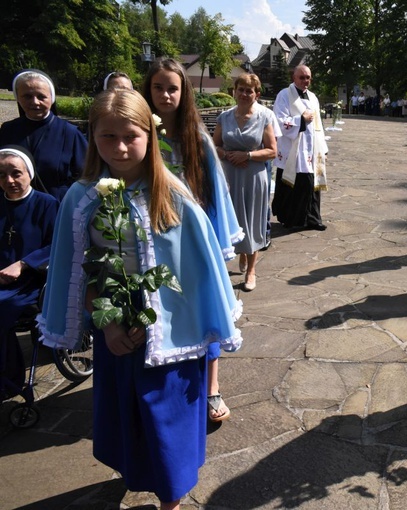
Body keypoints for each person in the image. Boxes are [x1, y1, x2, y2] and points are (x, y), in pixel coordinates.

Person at [39, 90, 242, 510]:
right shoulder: (81, 198)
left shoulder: (174, 195)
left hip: (172, 338)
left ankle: (171, 500)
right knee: (129, 417)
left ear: (149, 135)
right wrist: (107, 321)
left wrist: (159, 318)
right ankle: (138, 476)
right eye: (107, 136)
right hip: (116, 335)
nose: (119, 147)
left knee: (168, 422)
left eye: (130, 135)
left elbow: (197, 268)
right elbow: (80, 268)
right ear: (92, 138)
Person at [142, 58, 243, 423]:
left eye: (173, 88)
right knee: (161, 311)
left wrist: (215, 244)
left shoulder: (196, 138)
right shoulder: (139, 132)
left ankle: (212, 386)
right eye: (158, 87)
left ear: (184, 92)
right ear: (147, 90)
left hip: (193, 239)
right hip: (150, 237)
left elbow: (213, 194)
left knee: (205, 307)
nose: (166, 95)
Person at [0, 146, 58, 398]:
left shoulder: (47, 204)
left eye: (16, 173)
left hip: (31, 281)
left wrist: (22, 264)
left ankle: (9, 382)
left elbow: (56, 244)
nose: (10, 180)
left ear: (29, 174)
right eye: (2, 175)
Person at [214, 73, 277, 291]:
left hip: (253, 175)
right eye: (240, 89)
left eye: (249, 90)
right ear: (234, 91)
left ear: (256, 94)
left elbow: (272, 151)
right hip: (230, 174)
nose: (244, 94)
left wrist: (248, 155)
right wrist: (226, 154)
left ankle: (251, 270)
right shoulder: (224, 117)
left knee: (252, 221)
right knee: (232, 219)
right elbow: (214, 146)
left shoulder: (265, 117)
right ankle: (241, 252)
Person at [0, 69, 87, 202]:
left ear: (51, 98)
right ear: (18, 97)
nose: (35, 102)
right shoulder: (8, 130)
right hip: (15, 208)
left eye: (41, 96)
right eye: (27, 96)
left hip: (58, 209)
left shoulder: (70, 133)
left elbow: (86, 175)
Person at [271, 65, 329, 231]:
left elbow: (319, 125)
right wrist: (301, 120)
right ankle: (290, 219)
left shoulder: (313, 97)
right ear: (294, 78)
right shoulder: (284, 95)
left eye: (308, 77)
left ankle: (312, 219)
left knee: (311, 184)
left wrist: (323, 148)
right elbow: (279, 121)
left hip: (312, 149)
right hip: (293, 150)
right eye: (302, 77)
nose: (305, 81)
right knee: (292, 185)